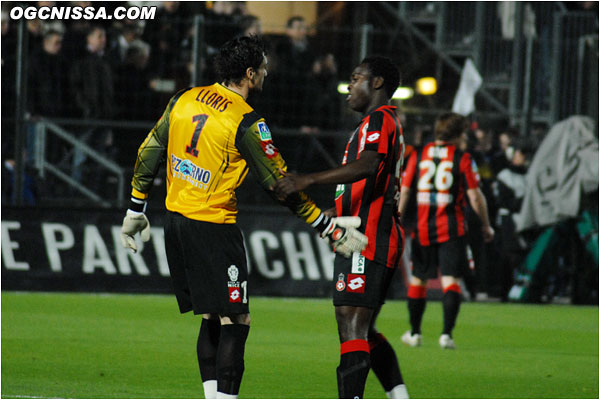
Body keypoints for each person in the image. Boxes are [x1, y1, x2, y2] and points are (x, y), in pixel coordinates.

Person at [119, 36, 367, 399]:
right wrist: (326, 226)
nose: (266, 74)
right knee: (236, 319)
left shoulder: (184, 98)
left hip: (175, 221)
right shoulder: (245, 120)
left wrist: (135, 207)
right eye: (263, 68)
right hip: (213, 227)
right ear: (249, 74)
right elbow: (280, 186)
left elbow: (149, 150)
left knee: (210, 316)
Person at [274, 56, 409, 399]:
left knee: (351, 323)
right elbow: (367, 182)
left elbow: (367, 166)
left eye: (356, 78)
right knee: (362, 327)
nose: (348, 86)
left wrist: (308, 179)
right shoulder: (373, 123)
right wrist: (329, 214)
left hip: (369, 237)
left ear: (376, 83)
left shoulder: (380, 120)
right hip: (363, 233)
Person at [397, 112, 495, 349]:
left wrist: (397, 217)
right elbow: (475, 196)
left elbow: (406, 190)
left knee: (418, 280)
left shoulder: (418, 155)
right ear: (459, 135)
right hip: (452, 228)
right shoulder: (462, 159)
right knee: (451, 281)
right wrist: (485, 224)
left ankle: (415, 333)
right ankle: (446, 335)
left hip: (423, 229)